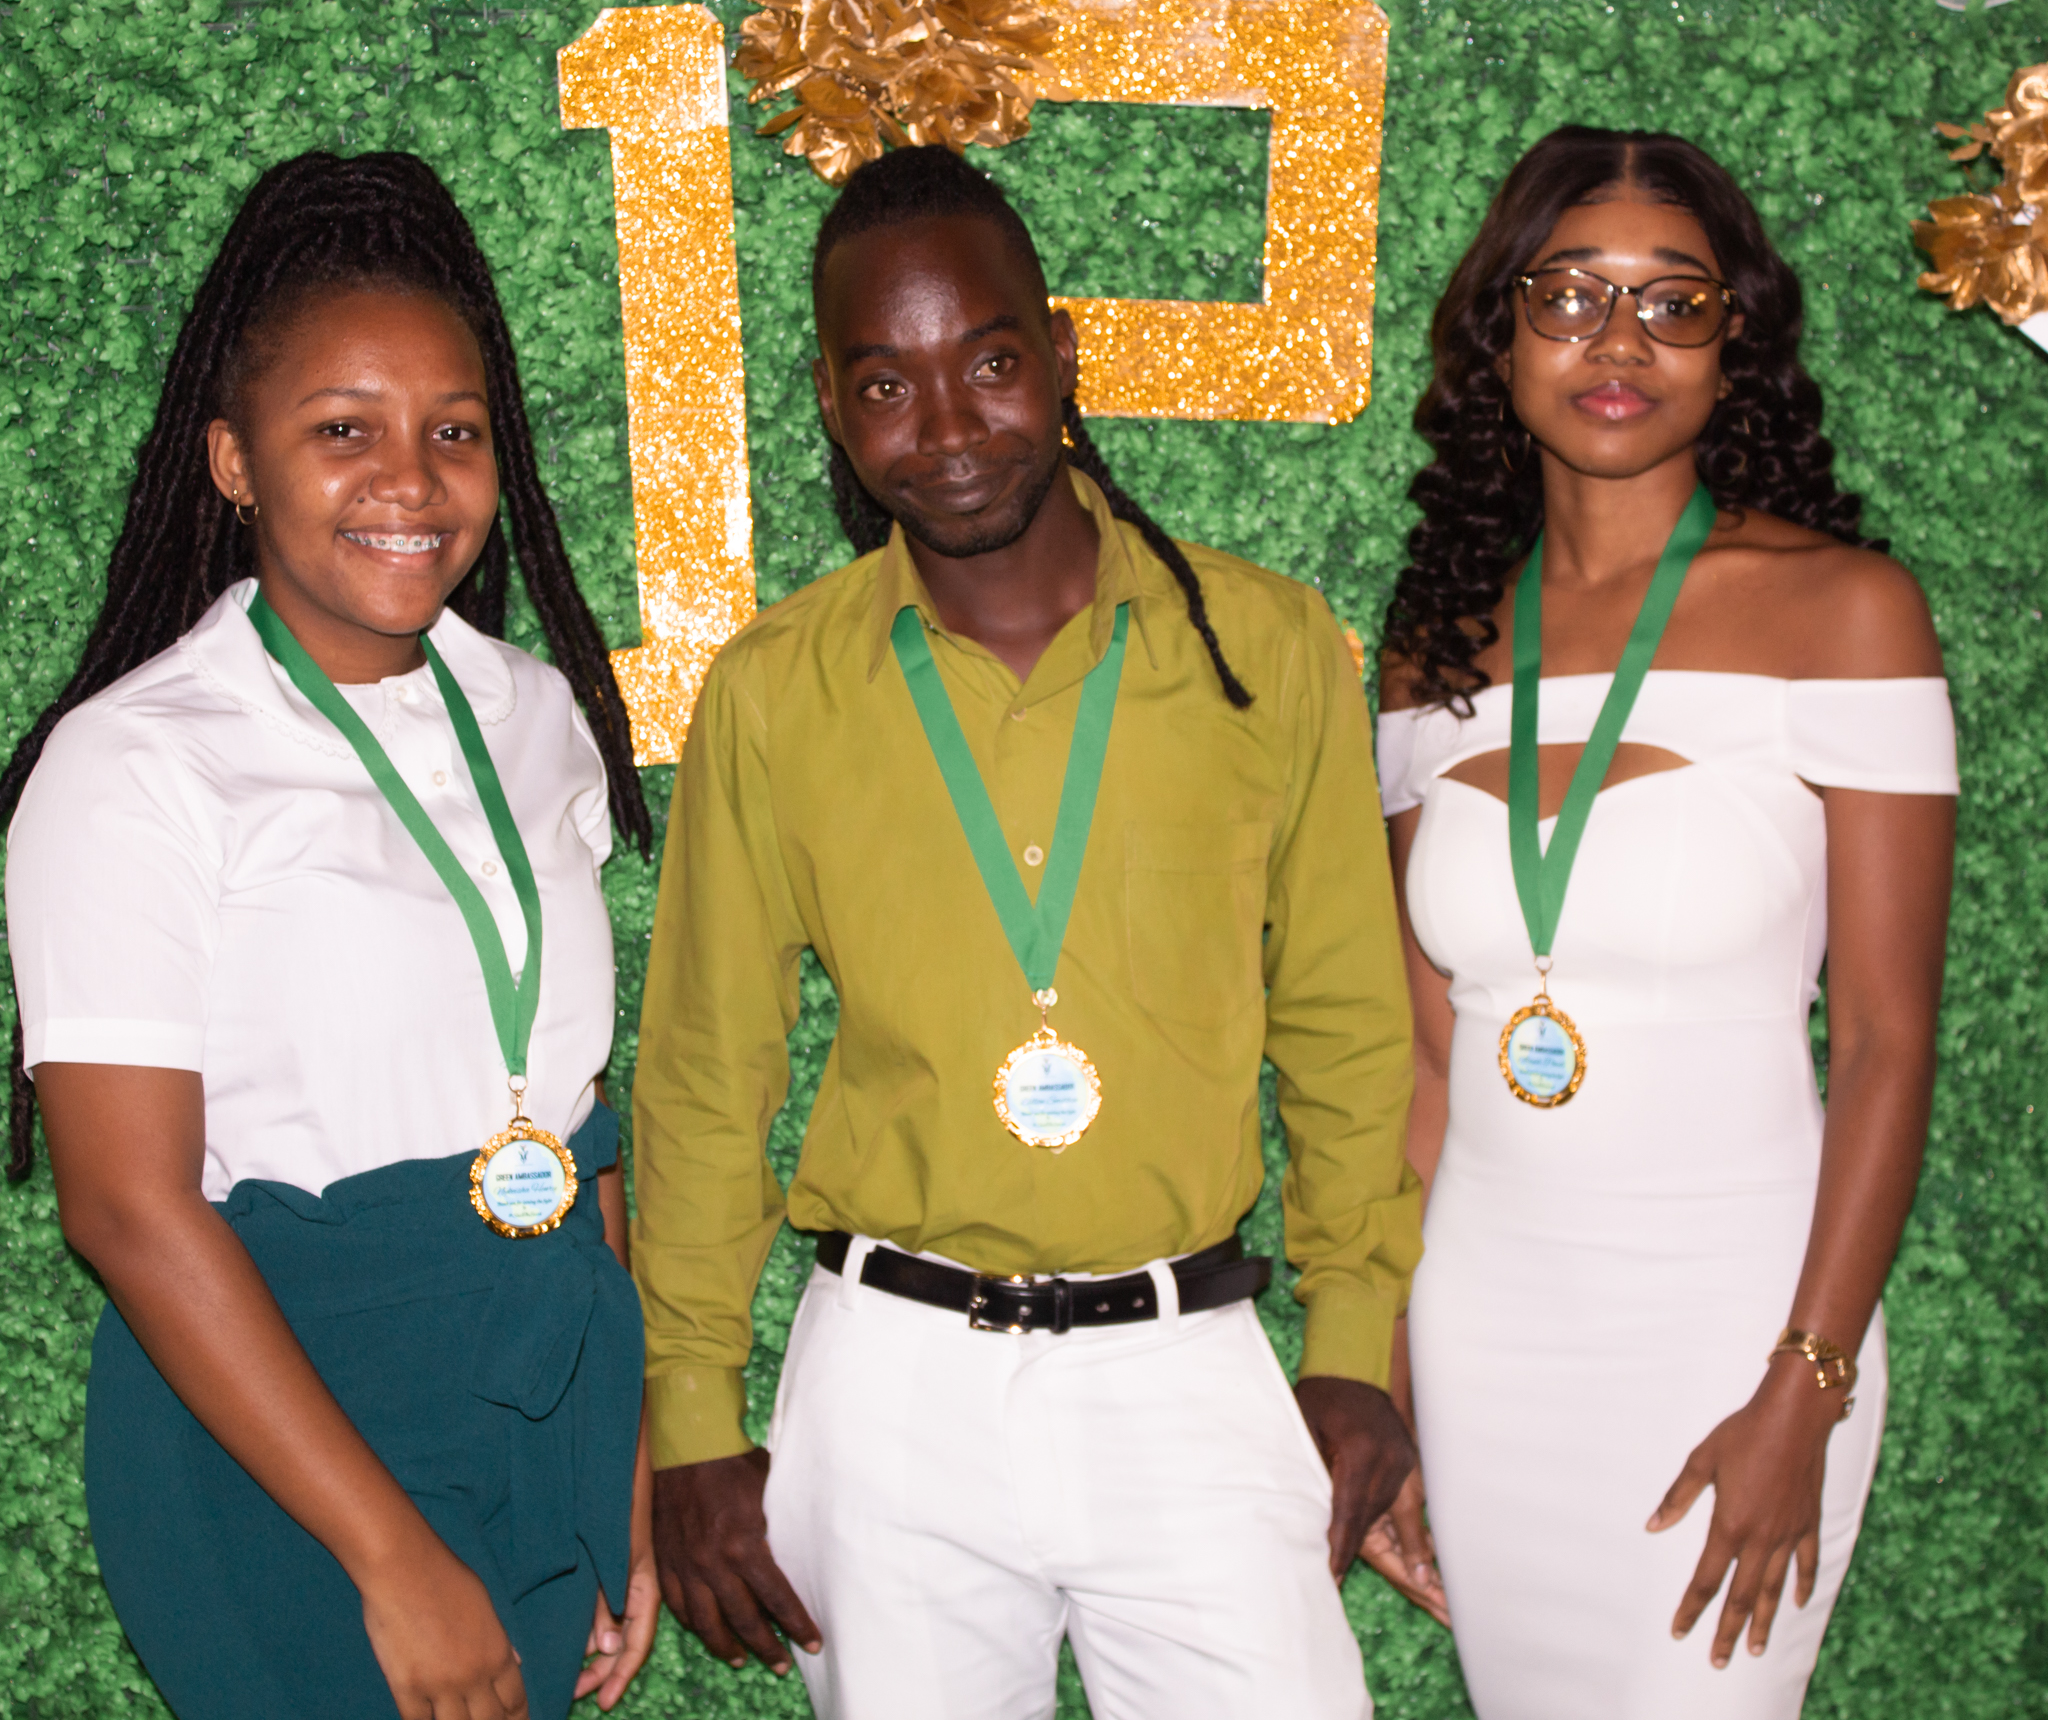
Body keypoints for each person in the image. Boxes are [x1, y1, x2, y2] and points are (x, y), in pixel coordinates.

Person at [630, 145, 1421, 1719]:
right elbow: (712, 1068)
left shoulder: (1264, 651)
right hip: (893, 1374)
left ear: (1060, 355)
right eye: (885, 385)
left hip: (1190, 1358)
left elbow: (1343, 1017)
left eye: (989, 364)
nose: (947, 427)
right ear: (832, 410)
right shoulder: (776, 691)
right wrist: (692, 1410)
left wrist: (1356, 1336)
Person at [2, 151, 662, 1720]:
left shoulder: (540, 716)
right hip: (282, 1443)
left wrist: (614, 1443)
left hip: (535, 1389)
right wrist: (393, 1558)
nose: (408, 479)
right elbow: (123, 1206)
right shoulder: (136, 760)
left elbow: (577, 1108)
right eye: (341, 430)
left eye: (452, 431)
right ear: (234, 461)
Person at [1367, 127, 1957, 1719]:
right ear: (1500, 331)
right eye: (1568, 294)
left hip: (1740, 1331)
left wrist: (1805, 1389)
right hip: (1486, 1337)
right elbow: (1432, 1064)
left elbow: (1892, 1042)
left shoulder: (1846, 612)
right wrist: (1395, 1384)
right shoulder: (1432, 651)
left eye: (1672, 302)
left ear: (1733, 341)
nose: (1617, 342)